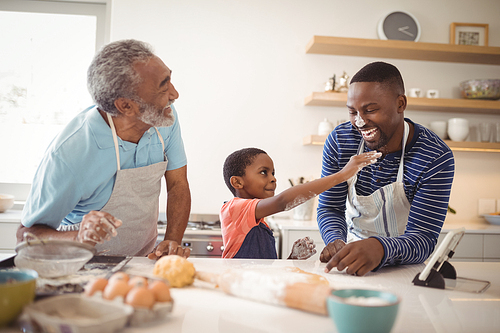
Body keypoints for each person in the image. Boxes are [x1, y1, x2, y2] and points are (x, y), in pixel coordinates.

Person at [17, 39, 191, 259]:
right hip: (81, 268)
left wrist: (172, 240)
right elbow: (25, 235)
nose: (174, 94)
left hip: (139, 262)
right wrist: (79, 237)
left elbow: (178, 185)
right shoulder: (70, 154)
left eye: (169, 79)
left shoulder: (164, 119)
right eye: (163, 86)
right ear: (126, 106)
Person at [318, 61, 455, 276]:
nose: (360, 122)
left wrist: (380, 248)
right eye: (352, 112)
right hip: (350, 262)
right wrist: (335, 240)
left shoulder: (434, 156)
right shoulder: (341, 141)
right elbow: (330, 208)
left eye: (370, 110)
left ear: (400, 104)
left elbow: (423, 238)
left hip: (406, 268)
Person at [221, 147, 380, 259]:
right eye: (264, 172)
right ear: (237, 182)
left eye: (273, 173)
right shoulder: (234, 208)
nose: (273, 178)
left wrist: (292, 258)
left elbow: (267, 271)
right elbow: (282, 202)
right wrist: (342, 175)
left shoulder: (260, 222)